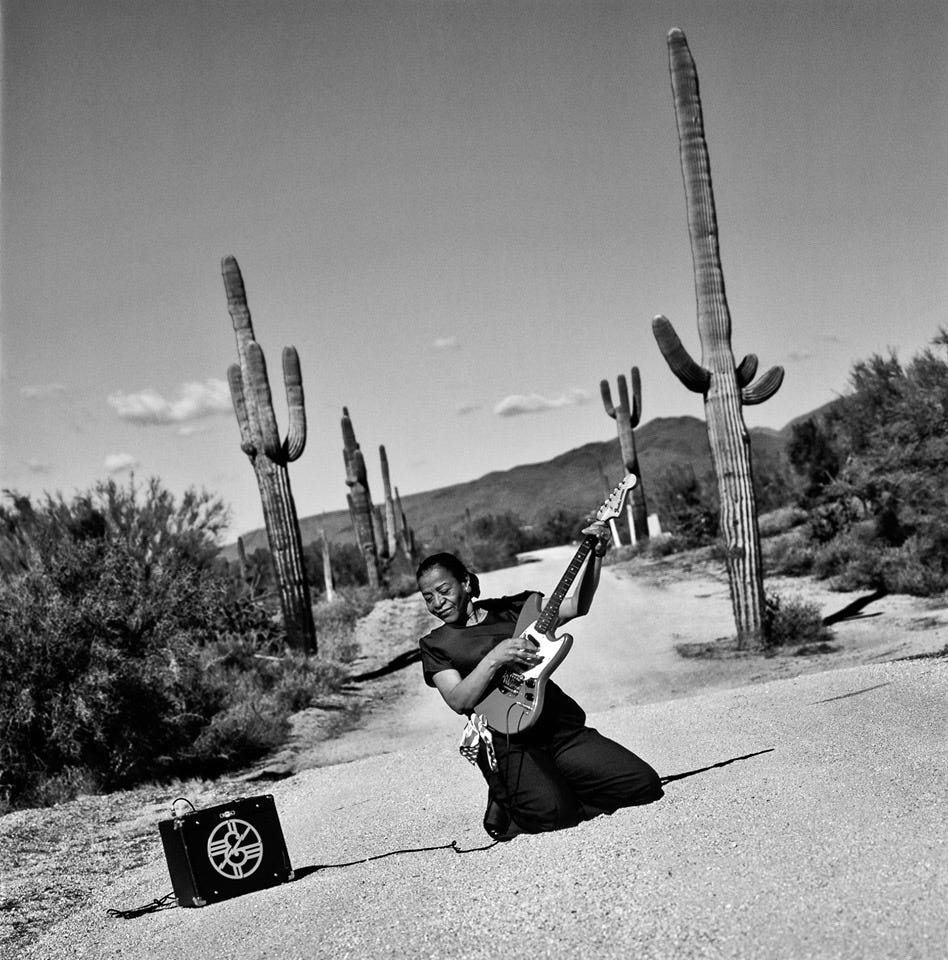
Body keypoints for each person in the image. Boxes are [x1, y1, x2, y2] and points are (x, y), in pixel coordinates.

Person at [416, 525, 662, 840]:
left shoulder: (516, 608)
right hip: (510, 742)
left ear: (465, 582)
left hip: (559, 730)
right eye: (428, 597)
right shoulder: (435, 644)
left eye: (444, 590)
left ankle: (555, 785)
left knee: (642, 784)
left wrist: (596, 557)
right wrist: (495, 657)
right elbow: (459, 700)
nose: (438, 602)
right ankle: (508, 794)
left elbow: (575, 605)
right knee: (555, 815)